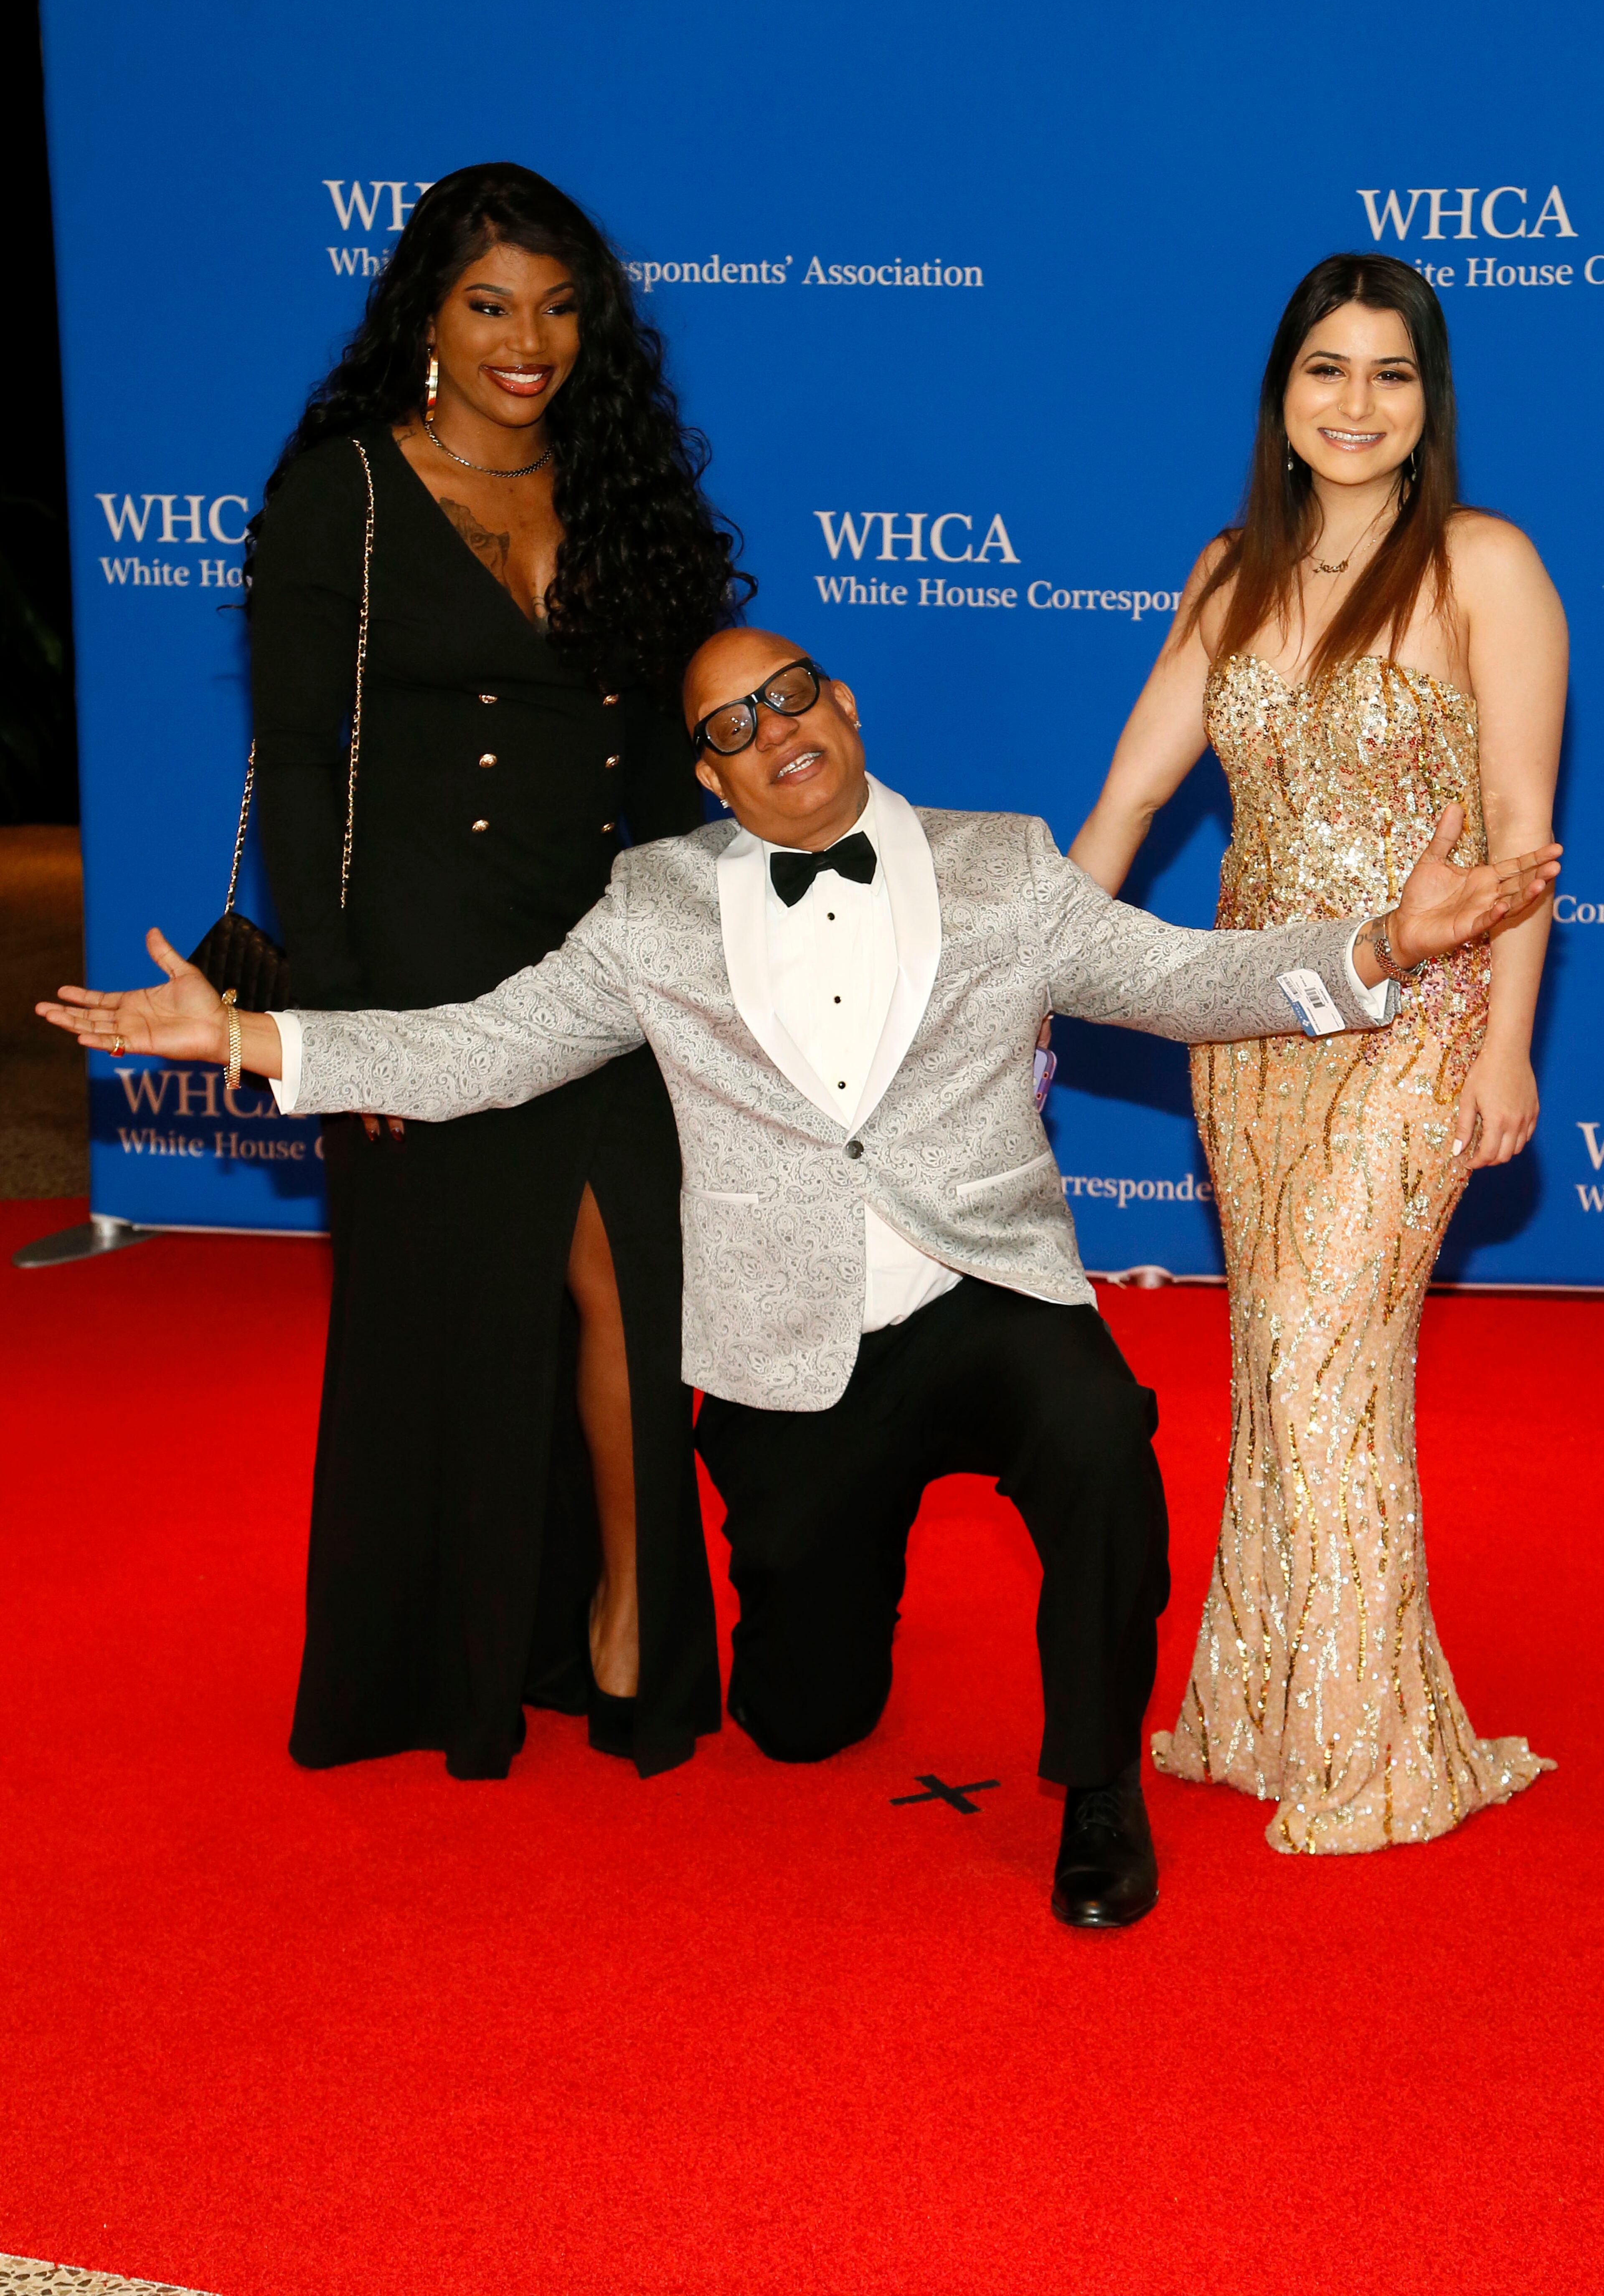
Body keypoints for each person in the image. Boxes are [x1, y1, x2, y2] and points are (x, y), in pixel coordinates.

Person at [38, 628, 1559, 1924]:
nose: (776, 733)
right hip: (791, 1348)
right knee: (804, 1721)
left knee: (1103, 1436)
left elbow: (1183, 981)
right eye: (731, 727)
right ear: (709, 776)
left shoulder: (1002, 863)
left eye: (794, 695)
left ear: (846, 709)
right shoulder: (653, 908)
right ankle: (841, 1611)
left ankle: (1099, 1787)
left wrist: (1381, 946)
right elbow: (482, 1047)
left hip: (987, 1287)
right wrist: (247, 1037)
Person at [246, 161, 748, 1781]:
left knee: (629, 1273)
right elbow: (302, 761)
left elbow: (673, 769)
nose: (527, 340)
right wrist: (341, 1018)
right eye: (488, 306)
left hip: (607, 950)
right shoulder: (348, 493)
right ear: (427, 319)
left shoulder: (624, 486)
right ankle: (469, 1655)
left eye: (555, 305)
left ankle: (621, 1616)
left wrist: (704, 952)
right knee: (463, 1309)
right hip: (427, 963)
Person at [1069, 253, 1566, 1853]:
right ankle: (1268, 1703)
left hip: (1420, 1027)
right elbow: (1132, 804)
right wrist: (1034, 964)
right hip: (1254, 1024)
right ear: (1282, 397)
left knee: (1313, 1362)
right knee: (1280, 1370)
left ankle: (1375, 1754)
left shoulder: (1489, 568)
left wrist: (1504, 1052)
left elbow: (1522, 843)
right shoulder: (1231, 574)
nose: (1357, 405)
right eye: (1327, 372)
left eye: (1392, 374)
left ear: (1431, 403)